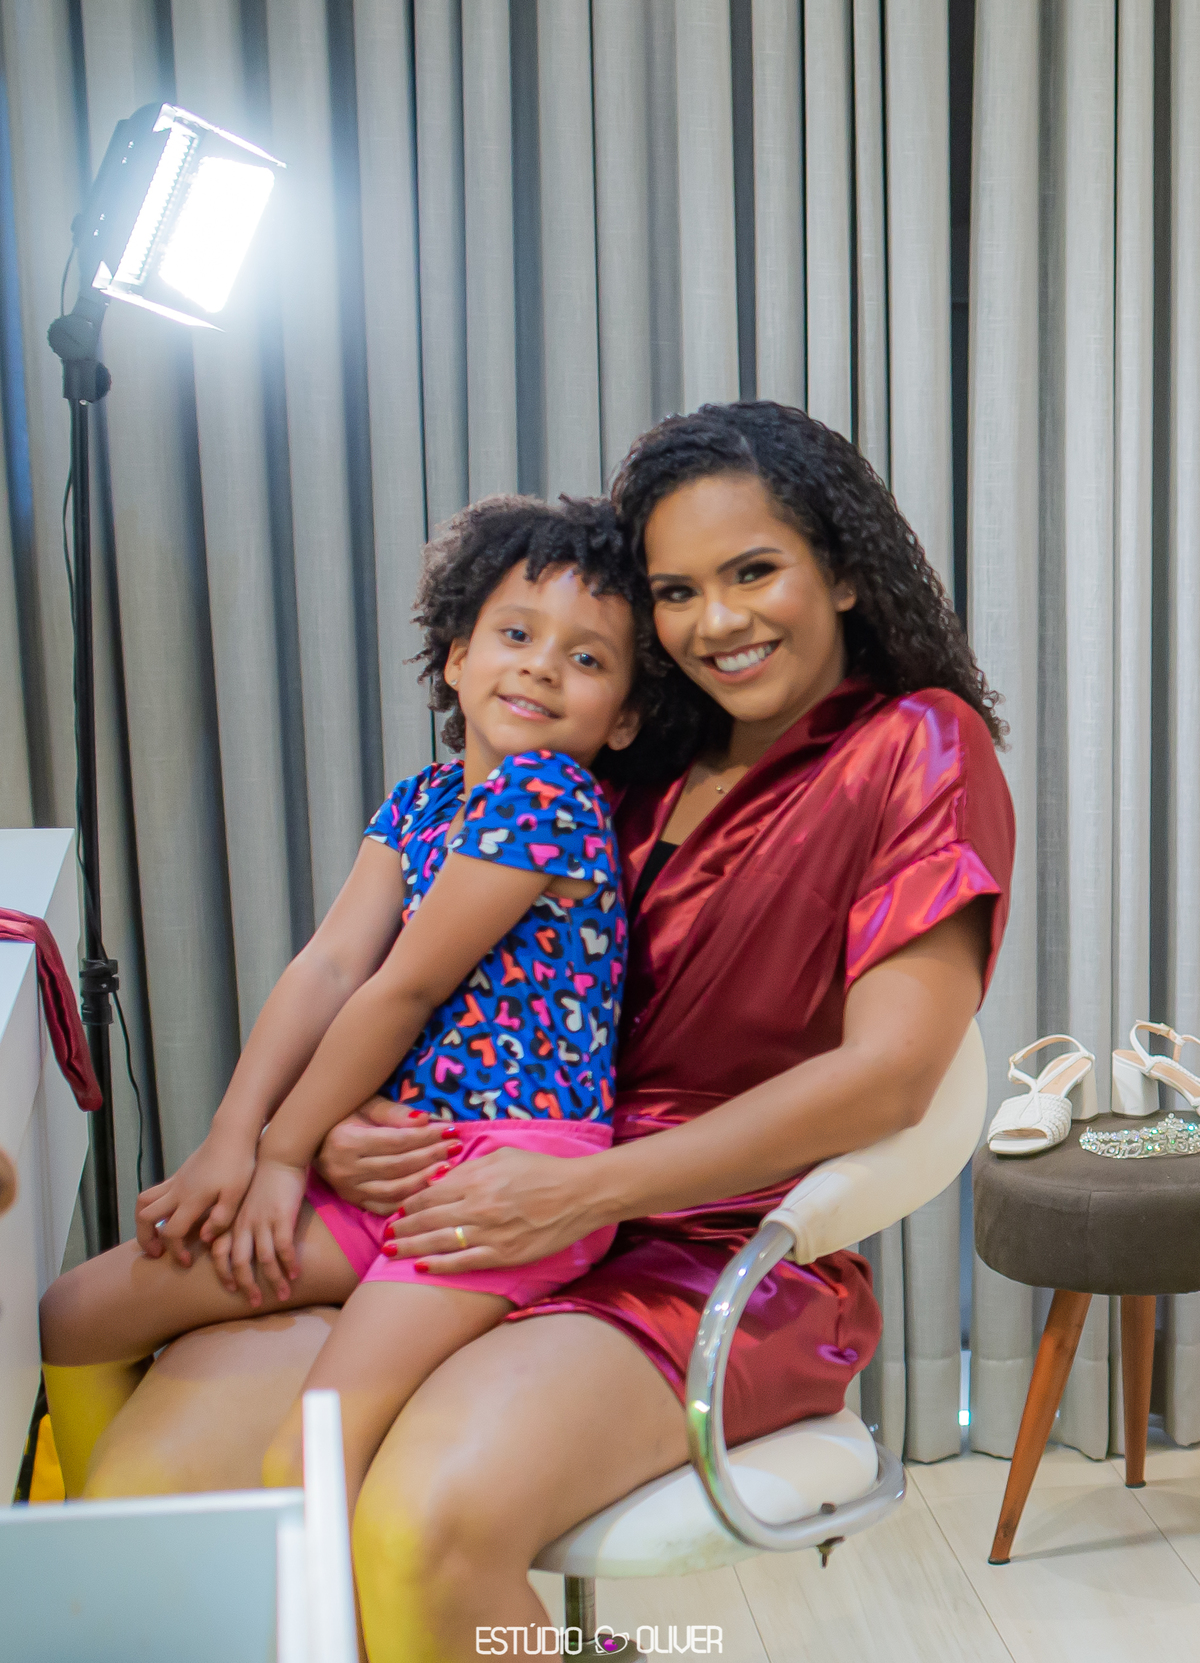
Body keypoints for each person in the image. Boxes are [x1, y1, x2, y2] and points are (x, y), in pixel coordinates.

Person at [54, 404, 1015, 1663]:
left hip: (720, 1256)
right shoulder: (627, 759)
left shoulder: (919, 745)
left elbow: (889, 1078)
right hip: (485, 1193)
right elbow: (446, 991)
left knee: (415, 1528)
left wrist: (581, 1189)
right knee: (156, 1475)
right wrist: (346, 1131)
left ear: (840, 569)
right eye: (677, 592)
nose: (716, 621)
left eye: (753, 572)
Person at [39, 495, 675, 1512]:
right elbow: (327, 967)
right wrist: (232, 1140)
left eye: (588, 658)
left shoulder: (549, 796)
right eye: (516, 635)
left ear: (628, 715)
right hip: (392, 1169)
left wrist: (284, 1154)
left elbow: (403, 986)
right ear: (456, 656)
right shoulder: (422, 800)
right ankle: (101, 1569)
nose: (544, 668)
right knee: (75, 1314)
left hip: (504, 1186)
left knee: (309, 1455)